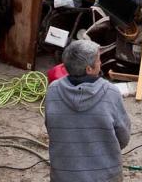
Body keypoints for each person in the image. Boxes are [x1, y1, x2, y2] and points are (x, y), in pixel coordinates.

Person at [44, 40, 131, 181]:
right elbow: (123, 137)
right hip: (105, 177)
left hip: (64, 176)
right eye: (98, 60)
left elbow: (52, 128)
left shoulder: (53, 90)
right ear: (89, 69)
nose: (101, 63)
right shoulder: (110, 92)